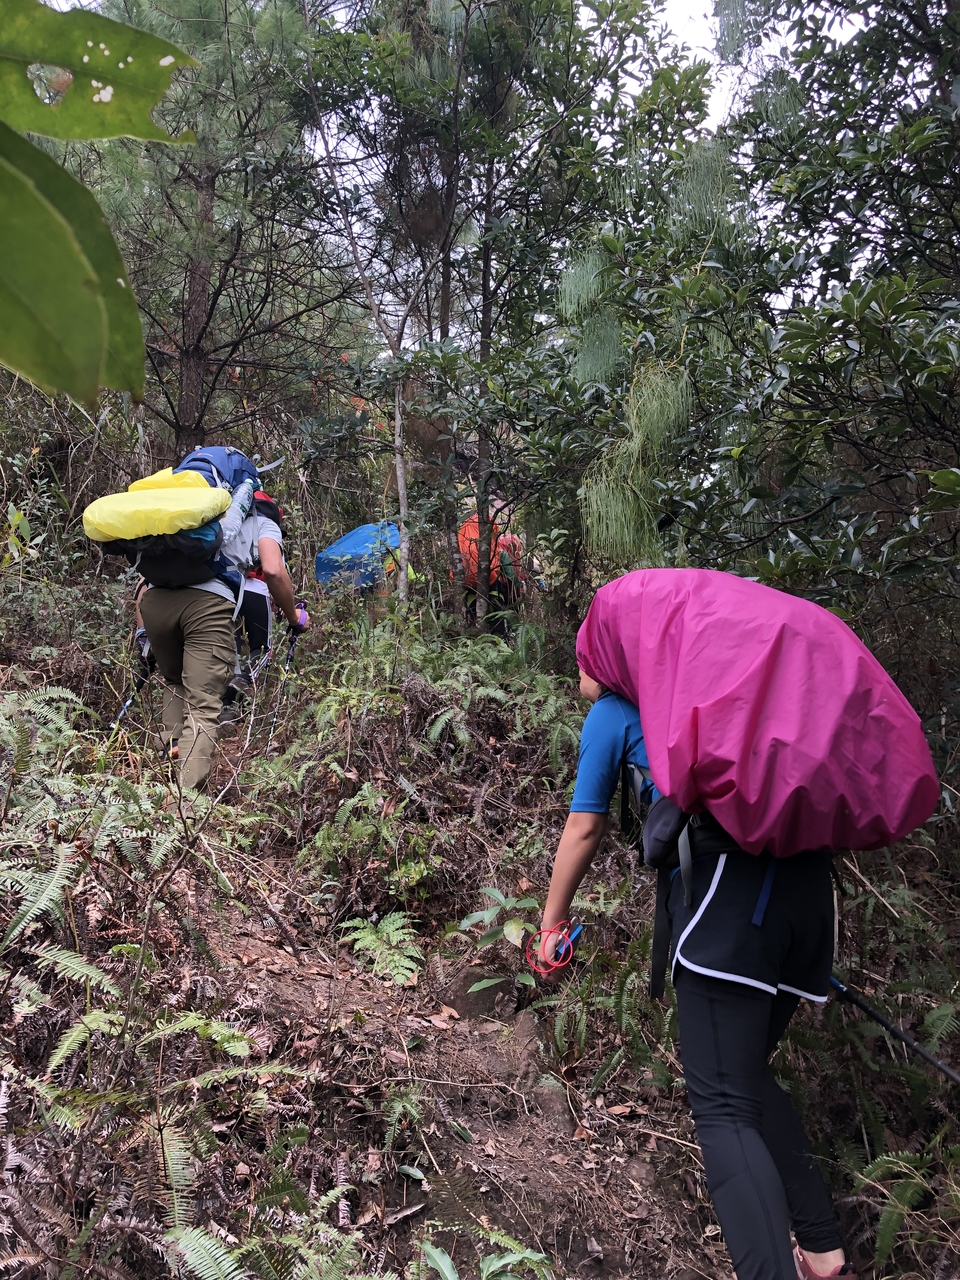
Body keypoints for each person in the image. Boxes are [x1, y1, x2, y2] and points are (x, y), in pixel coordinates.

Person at [539, 667, 856, 1280]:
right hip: (808, 894)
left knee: (723, 1107)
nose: (578, 665)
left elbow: (585, 825)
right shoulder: (710, 698)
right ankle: (823, 1256)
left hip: (734, 902)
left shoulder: (616, 711)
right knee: (743, 1076)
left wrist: (551, 925)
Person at [139, 474, 310, 794]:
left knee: (175, 682)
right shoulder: (263, 519)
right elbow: (273, 569)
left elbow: (144, 579)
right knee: (208, 700)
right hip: (217, 601)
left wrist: (142, 634)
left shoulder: (197, 516)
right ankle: (187, 802)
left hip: (157, 601)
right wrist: (294, 616)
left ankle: (164, 771)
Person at [221, 491, 305, 721]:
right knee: (262, 649)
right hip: (256, 590)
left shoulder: (225, 518)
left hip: (223, 589)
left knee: (230, 649)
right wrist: (290, 610)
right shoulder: (266, 524)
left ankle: (225, 707)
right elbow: (275, 572)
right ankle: (241, 683)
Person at [458, 501, 526, 636]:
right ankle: (502, 637)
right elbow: (511, 576)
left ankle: (475, 640)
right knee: (498, 618)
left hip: (469, 589)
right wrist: (520, 587)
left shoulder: (464, 535)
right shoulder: (499, 553)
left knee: (474, 619)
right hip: (492, 590)